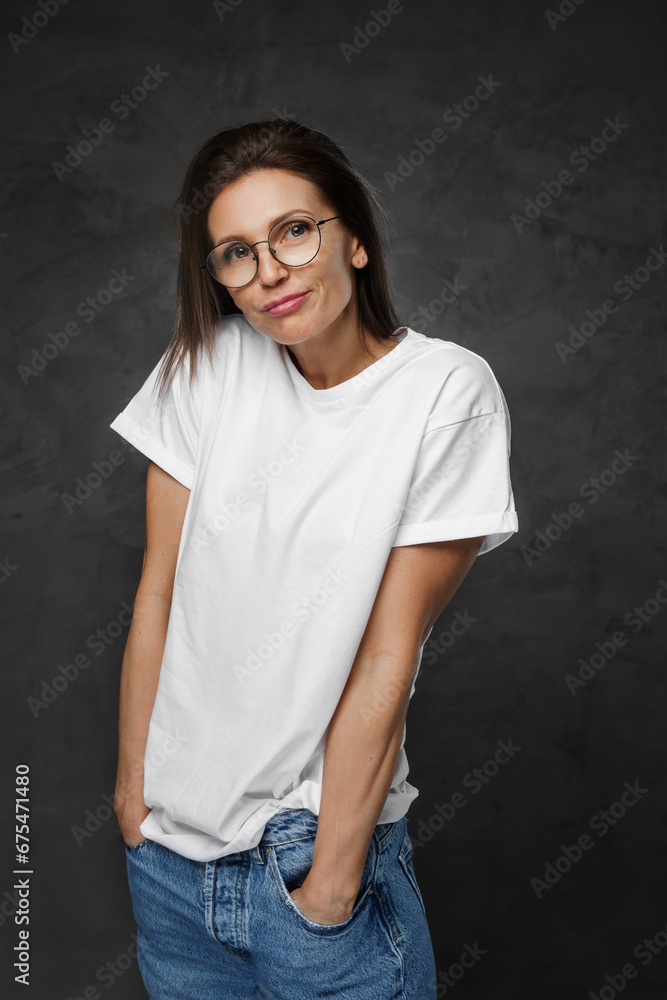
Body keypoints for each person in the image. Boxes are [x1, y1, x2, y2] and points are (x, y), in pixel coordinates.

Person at [110, 117, 518, 1000]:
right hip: (169, 866)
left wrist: (330, 885)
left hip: (305, 866)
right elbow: (158, 595)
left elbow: (387, 654)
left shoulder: (444, 392)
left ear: (355, 240)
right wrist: (133, 798)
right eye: (236, 252)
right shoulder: (203, 366)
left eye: (294, 230)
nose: (269, 271)